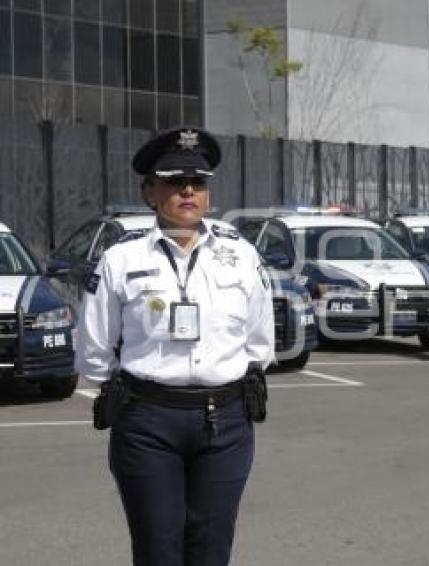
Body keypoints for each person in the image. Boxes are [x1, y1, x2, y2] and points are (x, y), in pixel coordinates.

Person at [75, 127, 275, 566]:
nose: (188, 190)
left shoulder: (241, 255)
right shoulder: (122, 259)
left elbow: (260, 341)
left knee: (211, 547)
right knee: (157, 548)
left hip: (226, 421)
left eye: (198, 183)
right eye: (173, 181)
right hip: (148, 422)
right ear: (149, 191)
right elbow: (93, 349)